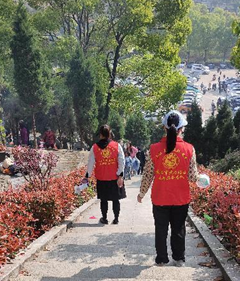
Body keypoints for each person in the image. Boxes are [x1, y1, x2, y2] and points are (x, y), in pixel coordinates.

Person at [137, 110, 201, 267]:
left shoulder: (153, 149)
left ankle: (161, 258)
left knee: (161, 229)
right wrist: (202, 180)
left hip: (160, 197)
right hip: (181, 198)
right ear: (182, 129)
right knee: (178, 228)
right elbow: (193, 177)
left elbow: (148, 174)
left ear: (164, 128)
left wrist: (141, 193)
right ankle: (178, 258)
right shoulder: (189, 149)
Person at [85, 124, 125, 225]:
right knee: (116, 199)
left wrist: (87, 175)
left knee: (103, 200)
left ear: (100, 134)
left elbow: (90, 163)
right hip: (114, 177)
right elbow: (122, 161)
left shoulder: (94, 147)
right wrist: (120, 174)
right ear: (110, 133)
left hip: (101, 177)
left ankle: (104, 218)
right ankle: (116, 219)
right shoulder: (116, 146)